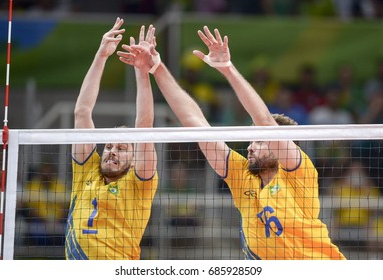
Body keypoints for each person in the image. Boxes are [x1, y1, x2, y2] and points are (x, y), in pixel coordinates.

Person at [118, 25, 346, 260]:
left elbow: (265, 122)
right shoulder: (242, 175)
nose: (250, 146)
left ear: (282, 147)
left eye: (259, 141)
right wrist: (157, 69)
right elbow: (196, 123)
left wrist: (227, 68)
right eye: (251, 141)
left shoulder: (298, 172)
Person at [65, 18, 158, 260]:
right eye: (108, 146)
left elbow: (144, 126)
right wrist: (101, 56)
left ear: (135, 158)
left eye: (121, 147)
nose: (111, 151)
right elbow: (82, 112)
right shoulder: (87, 171)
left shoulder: (141, 184)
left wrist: (142, 71)